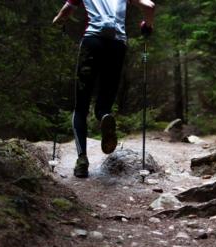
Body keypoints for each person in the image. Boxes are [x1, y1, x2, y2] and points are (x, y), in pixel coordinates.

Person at [53, 0, 155, 178]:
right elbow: (149, 6)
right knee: (104, 103)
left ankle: (82, 160)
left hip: (92, 42)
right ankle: (104, 116)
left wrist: (58, 21)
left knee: (81, 106)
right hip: (117, 45)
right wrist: (147, 24)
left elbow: (66, 11)